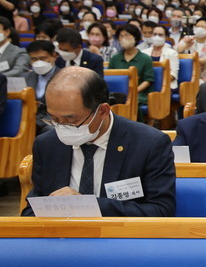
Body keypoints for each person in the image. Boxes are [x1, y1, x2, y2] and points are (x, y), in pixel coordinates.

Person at [21, 67, 176, 217]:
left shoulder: (148, 143)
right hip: (62, 238)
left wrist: (87, 205)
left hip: (120, 238)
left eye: (70, 119)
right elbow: (31, 210)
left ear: (103, 111)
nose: (61, 127)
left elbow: (160, 211)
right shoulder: (47, 144)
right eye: (54, 119)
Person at [107, 24, 154, 106]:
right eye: (121, 36)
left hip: (138, 94)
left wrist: (133, 91)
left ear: (135, 38)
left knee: (131, 101)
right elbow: (109, 77)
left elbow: (148, 80)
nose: (123, 39)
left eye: (127, 35)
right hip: (117, 94)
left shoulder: (145, 58)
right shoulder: (115, 58)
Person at [26, 40, 57, 124]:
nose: (38, 62)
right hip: (28, 119)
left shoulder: (64, 77)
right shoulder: (25, 77)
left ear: (54, 56)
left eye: (43, 58)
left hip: (53, 121)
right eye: (34, 59)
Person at [140, 22, 179, 89]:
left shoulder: (172, 53)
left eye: (160, 35)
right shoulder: (144, 53)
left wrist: (156, 82)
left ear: (166, 37)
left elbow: (173, 75)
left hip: (166, 86)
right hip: (145, 86)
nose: (157, 37)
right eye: (154, 34)